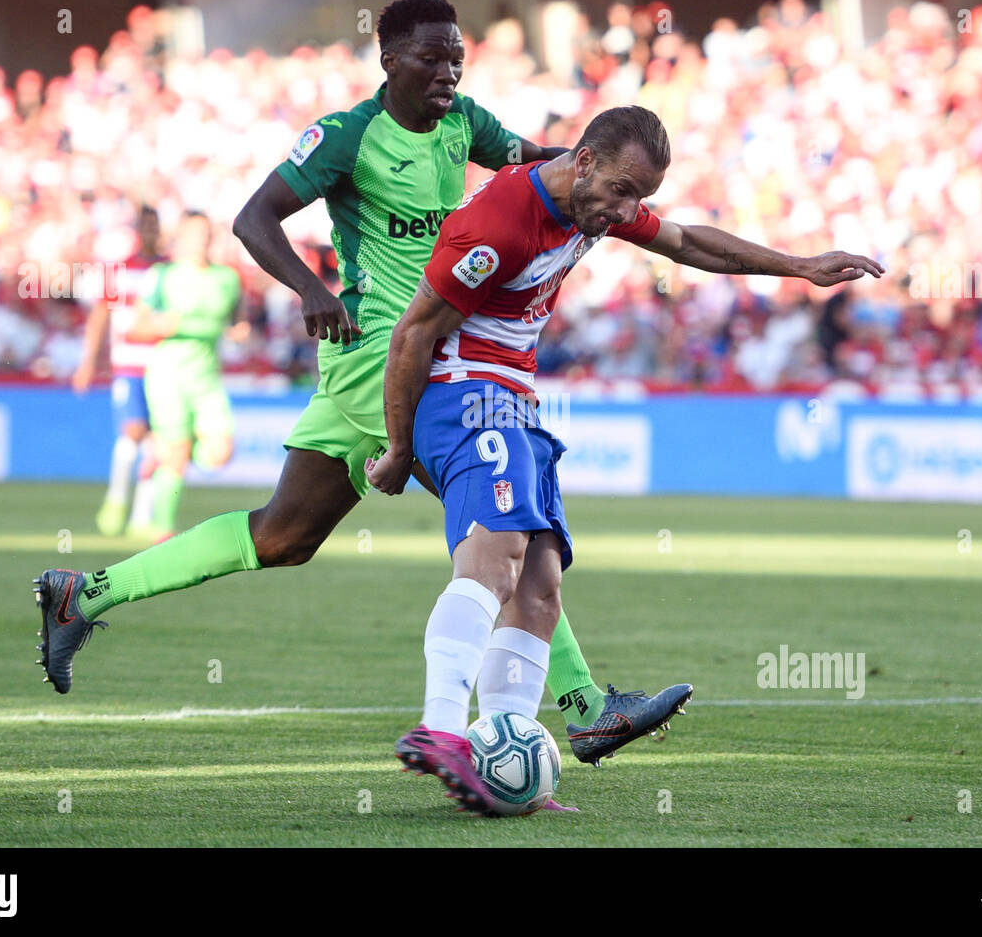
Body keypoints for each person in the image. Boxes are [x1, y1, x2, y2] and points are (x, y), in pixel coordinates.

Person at [32, 0, 690, 769]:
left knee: (283, 535)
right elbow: (254, 218)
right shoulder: (347, 137)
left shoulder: (466, 123)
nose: (447, 73)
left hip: (425, 349)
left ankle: (84, 592)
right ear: (389, 61)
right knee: (502, 515)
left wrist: (604, 179)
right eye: (431, 59)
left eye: (456, 60)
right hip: (390, 350)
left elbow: (540, 163)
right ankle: (584, 709)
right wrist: (310, 289)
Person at [367, 105, 883, 812]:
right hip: (464, 393)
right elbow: (411, 336)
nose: (626, 210)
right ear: (583, 162)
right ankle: (439, 727)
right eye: (620, 191)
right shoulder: (500, 222)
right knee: (498, 555)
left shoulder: (592, 205)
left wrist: (796, 266)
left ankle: (502, 768)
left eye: (637, 196)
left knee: (541, 584)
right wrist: (400, 448)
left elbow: (689, 244)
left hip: (513, 400)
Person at [126, 210, 245, 541]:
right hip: (169, 374)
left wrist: (240, 332)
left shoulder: (228, 278)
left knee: (220, 452)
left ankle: (161, 456)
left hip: (206, 376)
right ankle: (161, 528)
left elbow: (238, 321)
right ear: (180, 239)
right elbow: (136, 327)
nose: (201, 241)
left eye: (206, 235)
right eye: (194, 235)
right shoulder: (163, 276)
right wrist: (158, 325)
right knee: (176, 454)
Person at [72, 205, 162, 537]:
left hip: (163, 367)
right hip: (129, 365)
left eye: (155, 225)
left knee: (158, 441)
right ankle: (116, 499)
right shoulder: (117, 270)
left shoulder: (169, 270)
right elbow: (100, 315)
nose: (151, 231)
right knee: (133, 431)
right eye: (146, 225)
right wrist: (88, 361)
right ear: (137, 230)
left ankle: (142, 515)